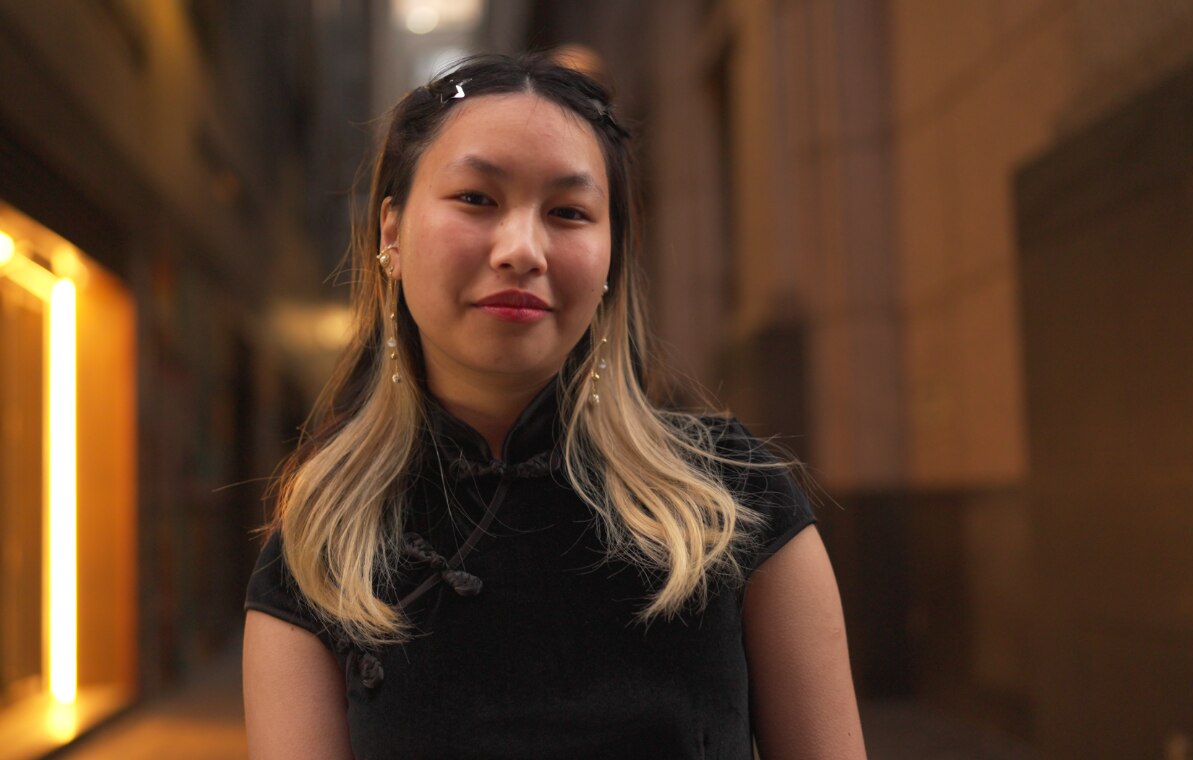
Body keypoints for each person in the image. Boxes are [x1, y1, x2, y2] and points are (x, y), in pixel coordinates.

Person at [243, 53, 867, 760]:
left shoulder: (732, 500)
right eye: (476, 198)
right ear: (391, 233)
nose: (522, 250)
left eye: (568, 212)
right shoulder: (323, 549)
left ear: (609, 258)